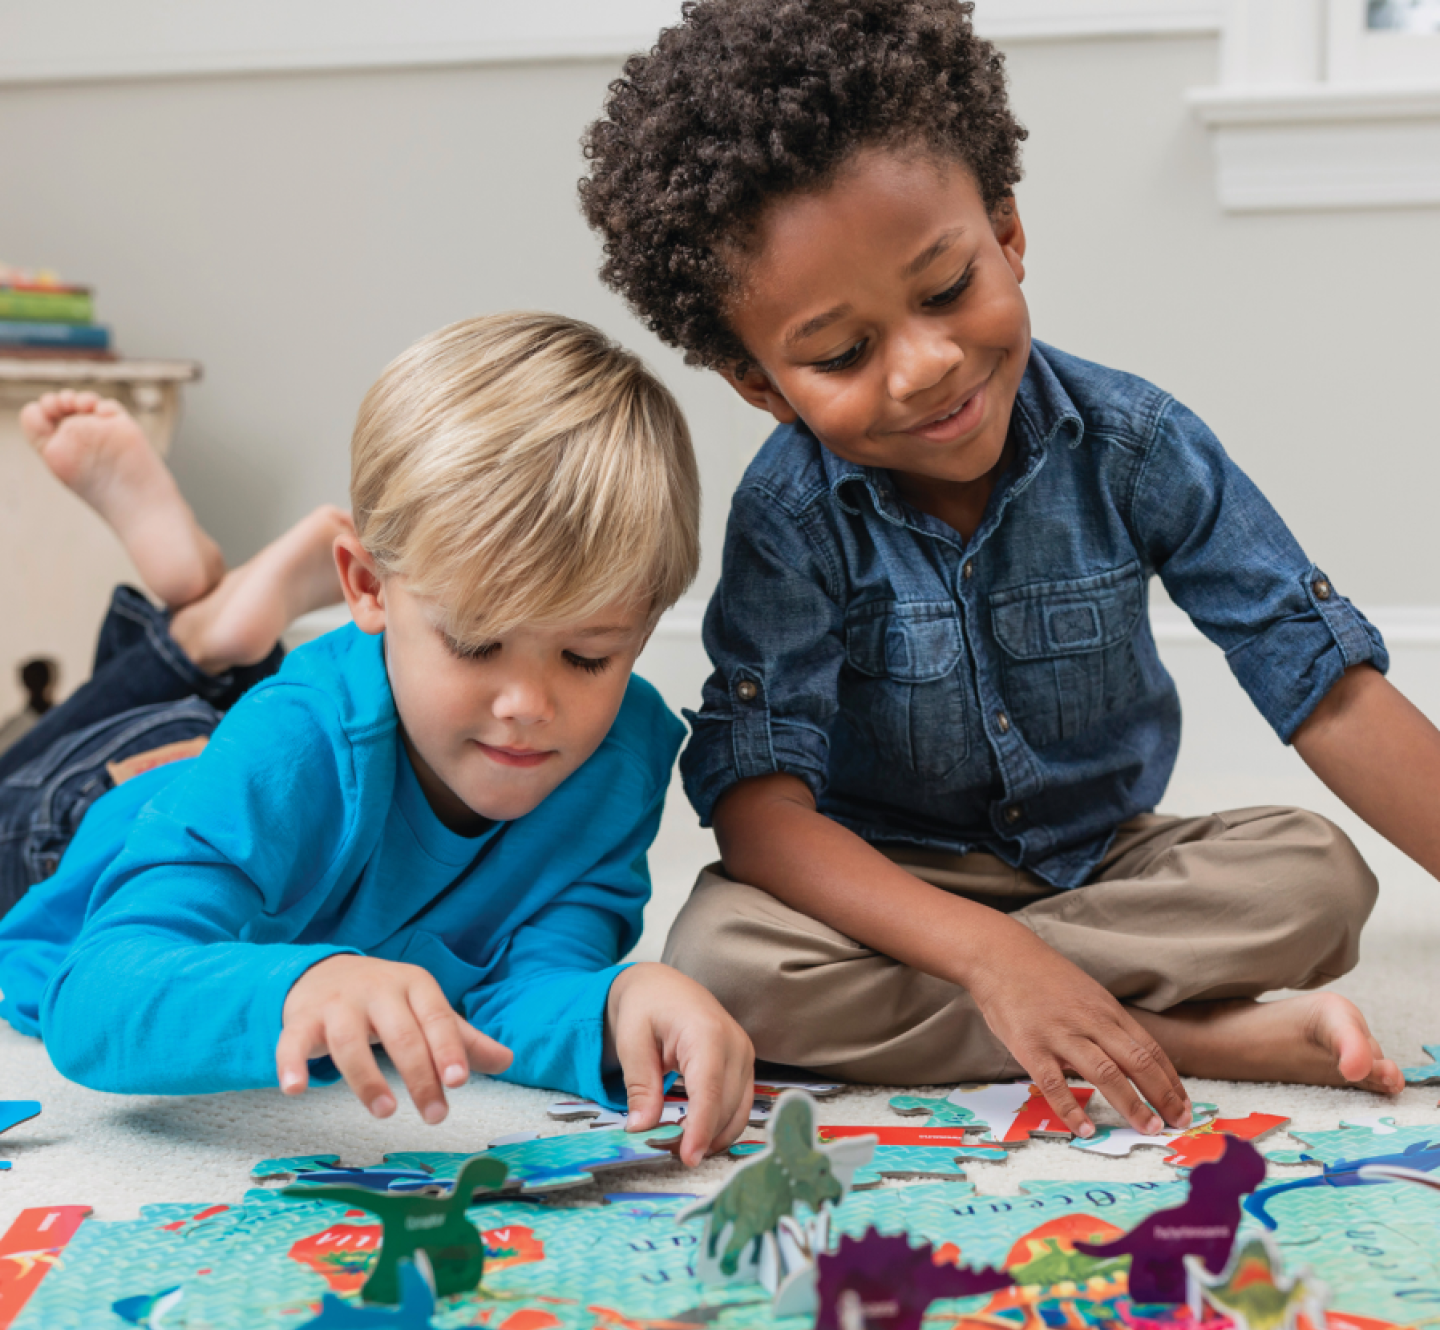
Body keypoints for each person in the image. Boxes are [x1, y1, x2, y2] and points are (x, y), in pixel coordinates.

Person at [579, 0, 1440, 1139]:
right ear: (758, 382)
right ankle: (1173, 1033)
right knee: (727, 961)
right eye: (842, 354)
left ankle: (1053, 1003)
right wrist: (983, 954)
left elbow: (1323, 686)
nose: (928, 365)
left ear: (1008, 231)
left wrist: (1022, 952)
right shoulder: (789, 517)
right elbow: (760, 817)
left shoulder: (1136, 442)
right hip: (897, 892)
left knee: (1317, 878)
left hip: (1105, 866)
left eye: (946, 289)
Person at [0, 319, 754, 1164]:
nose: (527, 705)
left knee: (220, 740)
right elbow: (95, 997)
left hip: (246, 764)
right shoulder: (292, 744)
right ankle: (199, 629)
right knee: (51, 773)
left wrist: (618, 1002)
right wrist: (302, 984)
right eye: (474, 643)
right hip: (69, 826)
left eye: (589, 655)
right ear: (366, 586)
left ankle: (214, 623)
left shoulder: (623, 756)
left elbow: (525, 981)